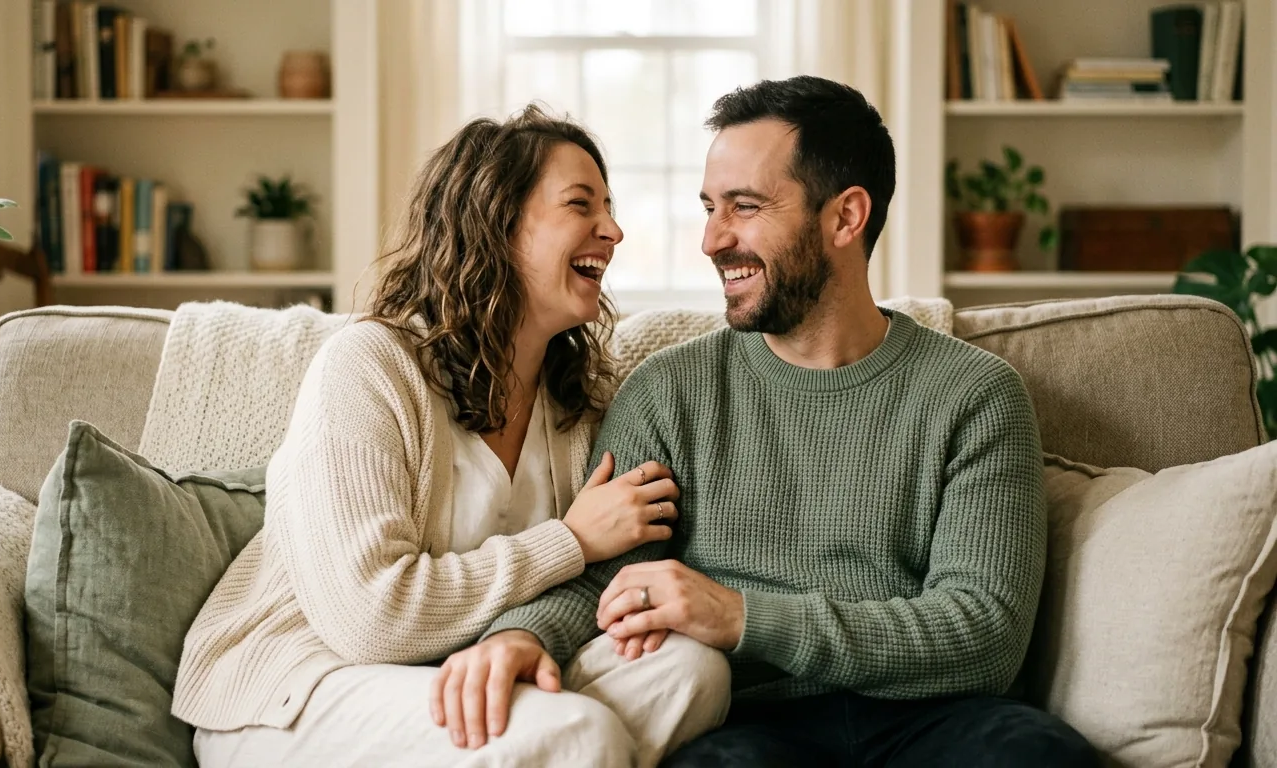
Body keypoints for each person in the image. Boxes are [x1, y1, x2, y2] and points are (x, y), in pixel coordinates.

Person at [436, 76, 1100, 767]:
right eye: (709, 208)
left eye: (744, 207)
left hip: (937, 721)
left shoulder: (974, 395)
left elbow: (984, 634)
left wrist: (741, 617)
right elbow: (606, 586)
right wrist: (522, 637)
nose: (712, 240)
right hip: (747, 729)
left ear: (845, 218)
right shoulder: (668, 393)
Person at [170, 105, 730, 767]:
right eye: (581, 205)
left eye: (608, 207)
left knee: (690, 672)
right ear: (496, 222)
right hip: (300, 685)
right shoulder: (370, 367)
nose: (611, 230)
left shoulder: (578, 402)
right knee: (577, 734)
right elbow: (369, 617)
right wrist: (571, 541)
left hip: (457, 673)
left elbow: (590, 592)